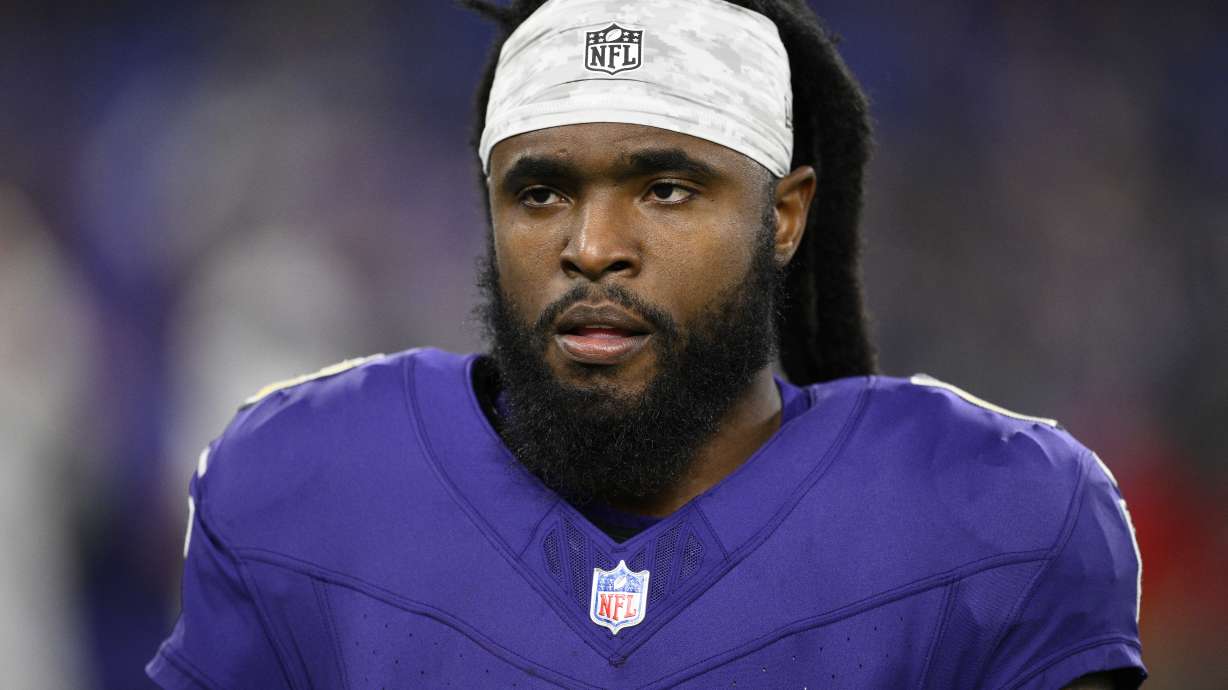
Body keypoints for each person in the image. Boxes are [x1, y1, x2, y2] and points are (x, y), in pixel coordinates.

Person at [147, 0, 1145, 687]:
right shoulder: (303, 486)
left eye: (667, 190)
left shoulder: (998, 512)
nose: (592, 248)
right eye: (540, 192)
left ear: (786, 215)